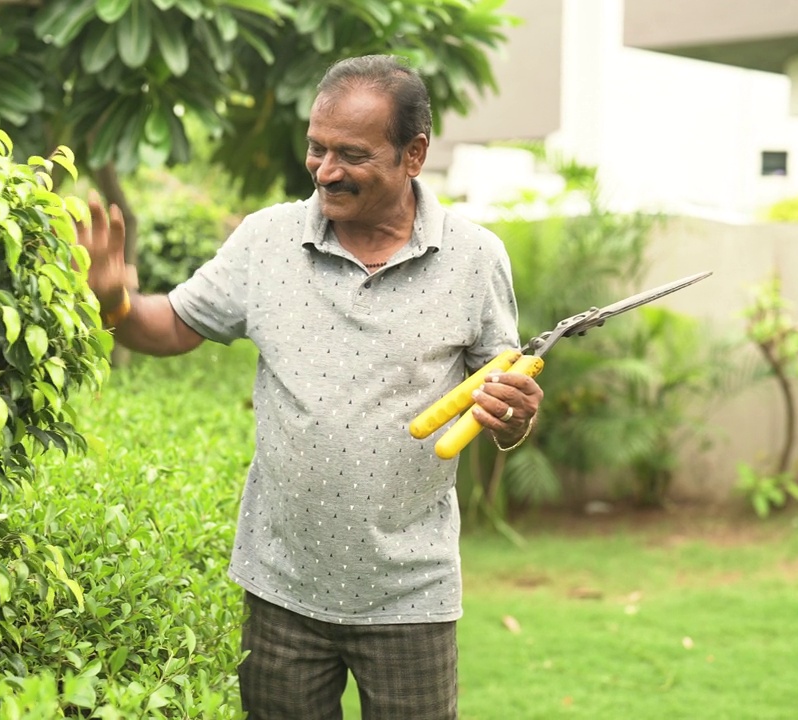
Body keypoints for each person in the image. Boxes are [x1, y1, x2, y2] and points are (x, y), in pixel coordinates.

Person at [76, 54, 543, 720]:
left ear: (414, 154)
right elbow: (171, 325)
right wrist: (115, 304)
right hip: (281, 589)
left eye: (350, 154)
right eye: (316, 149)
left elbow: (503, 400)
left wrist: (515, 414)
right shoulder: (267, 240)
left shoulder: (473, 258)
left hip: (411, 595)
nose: (325, 171)